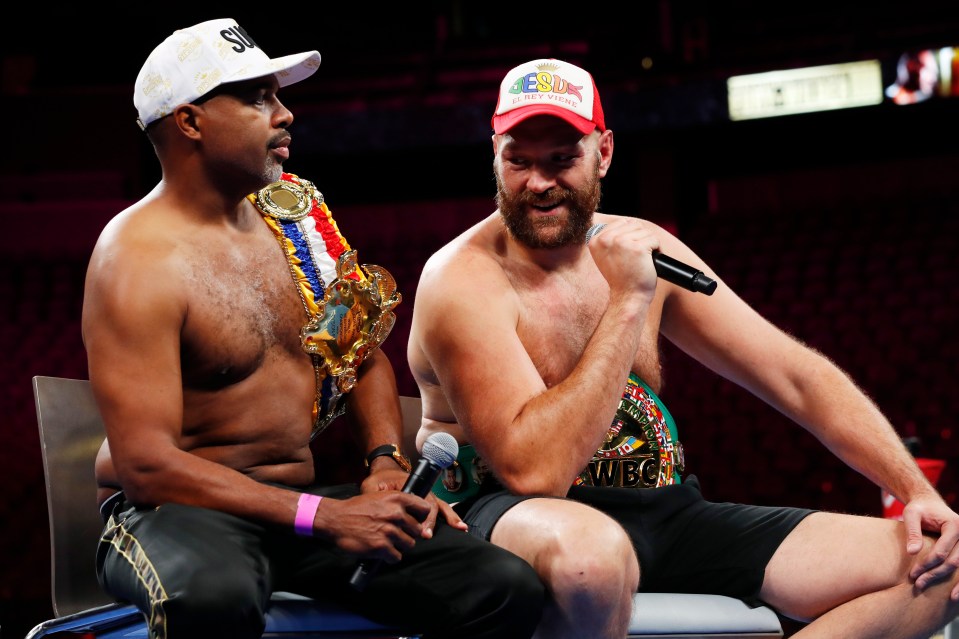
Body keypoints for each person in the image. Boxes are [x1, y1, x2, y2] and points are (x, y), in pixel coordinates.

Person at [407, 57, 959, 638]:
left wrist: (914, 490)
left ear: (605, 153)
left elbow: (793, 373)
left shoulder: (644, 246)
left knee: (943, 562)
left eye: (562, 159)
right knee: (591, 560)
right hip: (509, 513)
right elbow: (533, 471)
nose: (539, 182)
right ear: (494, 154)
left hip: (664, 510)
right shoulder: (461, 279)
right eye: (518, 160)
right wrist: (627, 301)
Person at [83, 19, 544, 639]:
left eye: (277, 95)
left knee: (501, 586)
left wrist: (384, 463)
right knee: (212, 600)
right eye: (257, 98)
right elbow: (145, 467)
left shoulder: (291, 218)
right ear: (190, 122)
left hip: (298, 510)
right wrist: (325, 517)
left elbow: (363, 356)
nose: (285, 114)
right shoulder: (135, 259)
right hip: (170, 512)